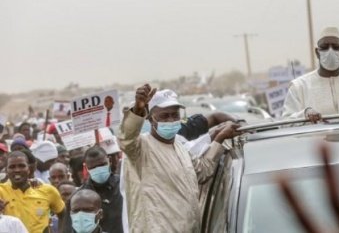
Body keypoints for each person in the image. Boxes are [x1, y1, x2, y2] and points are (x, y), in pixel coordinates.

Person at [118, 85, 241, 232]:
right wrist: (138, 109)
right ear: (151, 119)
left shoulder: (180, 147)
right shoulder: (141, 148)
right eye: (164, 116)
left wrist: (219, 139)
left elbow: (203, 170)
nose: (171, 120)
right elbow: (126, 139)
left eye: (175, 115)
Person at [0, 151, 65, 233]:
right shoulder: (1, 190)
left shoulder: (48, 190)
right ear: (6, 170)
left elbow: (63, 214)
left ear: (29, 169)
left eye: (22, 166)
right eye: (12, 167)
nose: (17, 170)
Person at [62, 146, 123, 233]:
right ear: (86, 167)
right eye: (93, 167)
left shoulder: (124, 186)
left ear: (109, 160)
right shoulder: (77, 197)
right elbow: (68, 228)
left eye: (102, 165)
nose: (98, 169)